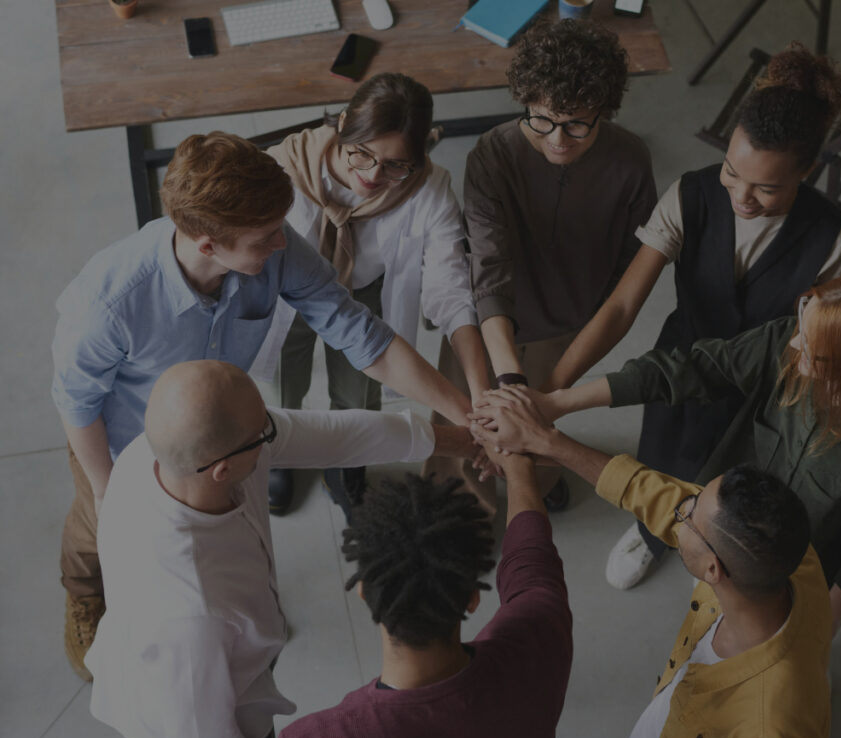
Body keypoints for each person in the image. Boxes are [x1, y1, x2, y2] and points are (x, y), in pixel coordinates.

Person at [51, 131, 474, 681]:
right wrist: (111, 496)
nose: (283, 244)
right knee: (93, 534)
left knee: (217, 539)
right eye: (266, 237)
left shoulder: (274, 248)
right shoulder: (109, 301)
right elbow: (75, 402)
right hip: (120, 440)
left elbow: (362, 336)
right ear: (207, 243)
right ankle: (84, 595)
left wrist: (467, 414)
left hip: (222, 434)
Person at [543, 43, 841, 588]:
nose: (742, 196)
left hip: (764, 384)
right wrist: (552, 392)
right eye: (733, 172)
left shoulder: (831, 237)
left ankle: (714, 544)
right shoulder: (690, 195)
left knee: (742, 480)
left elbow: (821, 340)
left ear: (806, 172)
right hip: (680, 364)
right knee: (665, 453)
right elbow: (621, 307)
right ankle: (651, 532)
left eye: (767, 187)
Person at [85, 360, 479, 738]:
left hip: (216, 663)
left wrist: (466, 441)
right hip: (182, 737)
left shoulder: (171, 453)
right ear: (223, 469)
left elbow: (336, 437)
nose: (273, 432)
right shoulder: (194, 612)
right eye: (264, 432)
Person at [510, 273, 841, 633]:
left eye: (814, 350)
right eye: (800, 328)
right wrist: (559, 402)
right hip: (719, 522)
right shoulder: (786, 343)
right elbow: (691, 369)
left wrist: (812, 638)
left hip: (797, 575)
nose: (794, 347)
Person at [469, 387, 832, 738]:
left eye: (689, 514)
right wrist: (546, 442)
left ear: (713, 569)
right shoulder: (787, 556)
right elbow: (656, 494)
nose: (680, 508)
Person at [440, 17, 657, 515]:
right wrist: (510, 383)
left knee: (542, 419)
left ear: (605, 110)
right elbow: (488, 270)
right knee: (466, 415)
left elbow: (630, 267)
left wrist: (536, 391)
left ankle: (540, 474)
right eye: (542, 120)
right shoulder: (493, 155)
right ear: (526, 102)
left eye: (578, 124)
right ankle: (463, 508)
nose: (559, 139)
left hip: (564, 321)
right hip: (487, 318)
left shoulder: (630, 162)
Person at [258, 72, 489, 516]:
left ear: (418, 158)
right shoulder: (284, 165)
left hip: (365, 292)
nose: (371, 175)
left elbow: (450, 288)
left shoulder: (429, 187)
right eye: (361, 155)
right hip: (288, 294)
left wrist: (478, 394)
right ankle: (281, 450)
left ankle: (346, 461)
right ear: (343, 123)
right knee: (282, 381)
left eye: (394, 165)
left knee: (359, 391)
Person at [266, 455, 572, 738]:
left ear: (364, 593)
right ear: (472, 597)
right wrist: (519, 469)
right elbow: (532, 561)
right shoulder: (541, 639)